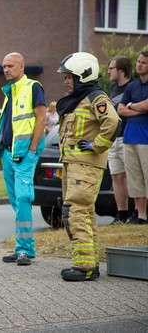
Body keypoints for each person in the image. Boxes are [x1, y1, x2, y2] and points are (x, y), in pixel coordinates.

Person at [56, 52, 121, 281]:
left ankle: (83, 268)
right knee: (83, 213)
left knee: (75, 211)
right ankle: (89, 265)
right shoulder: (80, 99)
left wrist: (96, 146)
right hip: (74, 165)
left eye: (69, 77)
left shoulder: (95, 97)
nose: (65, 82)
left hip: (85, 166)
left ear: (83, 75)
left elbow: (113, 122)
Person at [0, 52, 46, 266]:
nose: (6, 69)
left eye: (10, 66)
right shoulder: (9, 92)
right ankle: (24, 247)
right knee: (17, 202)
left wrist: (32, 149)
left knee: (23, 198)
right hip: (8, 153)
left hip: (24, 154)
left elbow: (41, 120)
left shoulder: (33, 87)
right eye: (4, 66)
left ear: (22, 66)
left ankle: (24, 249)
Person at [118, 51, 148, 225]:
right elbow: (121, 109)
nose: (139, 65)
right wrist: (136, 108)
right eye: (138, 61)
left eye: (144, 62)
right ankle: (141, 214)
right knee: (134, 177)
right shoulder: (132, 86)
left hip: (145, 136)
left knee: (146, 175)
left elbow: (146, 106)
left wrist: (131, 106)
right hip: (130, 135)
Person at [106, 56, 134, 225]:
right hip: (114, 137)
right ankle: (121, 213)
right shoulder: (112, 87)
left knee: (131, 175)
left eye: (112, 68)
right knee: (116, 175)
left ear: (121, 70)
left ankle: (137, 211)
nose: (108, 71)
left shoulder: (133, 87)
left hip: (128, 136)